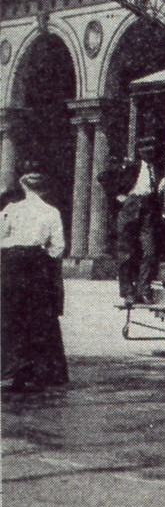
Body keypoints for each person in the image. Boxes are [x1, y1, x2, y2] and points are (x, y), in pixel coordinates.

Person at [1, 162, 69, 392]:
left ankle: (14, 368)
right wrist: (43, 260)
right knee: (40, 316)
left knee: (11, 315)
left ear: (22, 184)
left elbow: (1, 237)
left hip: (11, 264)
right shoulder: (51, 212)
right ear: (45, 187)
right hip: (37, 265)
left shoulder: (11, 209)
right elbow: (58, 247)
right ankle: (42, 370)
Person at [99, 135, 163, 305]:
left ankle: (143, 289)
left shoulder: (157, 169)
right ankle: (128, 291)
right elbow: (103, 177)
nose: (149, 151)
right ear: (139, 150)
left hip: (148, 209)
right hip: (131, 207)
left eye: (151, 147)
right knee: (126, 251)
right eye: (144, 147)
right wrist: (118, 196)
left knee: (149, 251)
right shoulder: (131, 166)